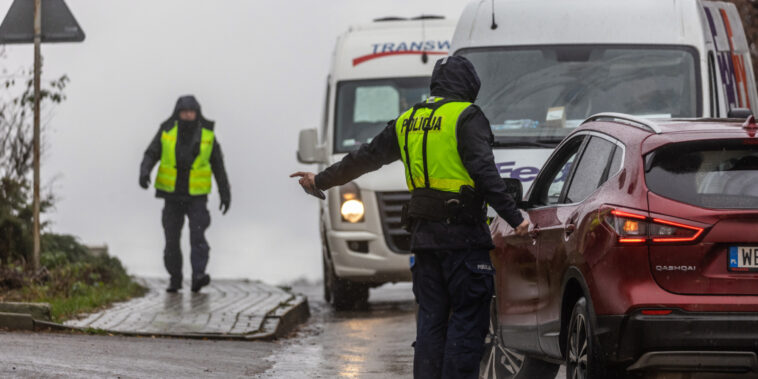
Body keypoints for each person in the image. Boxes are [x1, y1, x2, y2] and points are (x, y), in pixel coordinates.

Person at [291, 56, 529, 379]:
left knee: (430, 323)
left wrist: (320, 181)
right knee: (467, 321)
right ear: (468, 86)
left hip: (424, 243)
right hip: (463, 242)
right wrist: (516, 218)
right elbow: (485, 174)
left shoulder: (408, 121)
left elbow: (365, 158)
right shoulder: (466, 117)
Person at [140, 95, 231, 293]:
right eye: (184, 112)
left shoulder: (208, 135)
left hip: (197, 197)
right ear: (178, 113)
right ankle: (175, 278)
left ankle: (198, 275)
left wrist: (225, 193)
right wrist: (144, 171)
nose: (188, 115)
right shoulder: (166, 131)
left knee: (198, 237)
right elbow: (151, 153)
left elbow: (218, 166)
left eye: (191, 111)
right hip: (171, 197)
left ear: (197, 113)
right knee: (171, 240)